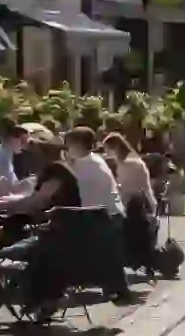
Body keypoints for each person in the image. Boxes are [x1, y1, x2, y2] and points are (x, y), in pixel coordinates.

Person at [64, 127, 137, 304]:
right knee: (108, 257)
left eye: (68, 145)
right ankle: (118, 290)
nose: (66, 149)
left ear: (76, 145)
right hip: (110, 214)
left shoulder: (85, 165)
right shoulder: (94, 160)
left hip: (101, 216)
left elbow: (68, 186)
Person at [102, 133, 158, 276]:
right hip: (145, 203)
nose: (106, 154)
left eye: (108, 149)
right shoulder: (132, 160)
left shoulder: (128, 164)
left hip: (138, 205)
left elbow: (127, 190)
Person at [0, 120, 29, 196]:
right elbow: (1, 191)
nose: (25, 146)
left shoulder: (5, 155)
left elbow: (14, 185)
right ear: (12, 139)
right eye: (23, 141)